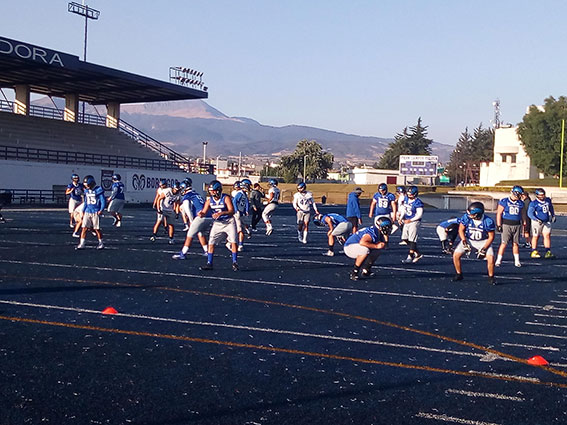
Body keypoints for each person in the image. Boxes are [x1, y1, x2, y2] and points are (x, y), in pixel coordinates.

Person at [198, 180, 239, 271]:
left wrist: (221, 213)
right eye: (211, 191)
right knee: (211, 242)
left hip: (228, 222)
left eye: (213, 191)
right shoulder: (209, 201)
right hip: (217, 223)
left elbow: (232, 211)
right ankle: (209, 263)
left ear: (218, 190)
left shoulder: (225, 198)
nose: (212, 193)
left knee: (233, 241)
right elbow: (204, 211)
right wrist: (201, 214)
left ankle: (235, 262)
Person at [452, 202, 496, 285]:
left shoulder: (488, 221)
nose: (469, 215)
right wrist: (464, 241)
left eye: (471, 214)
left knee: (490, 258)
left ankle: (491, 277)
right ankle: (459, 274)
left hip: (483, 241)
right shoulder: (466, 218)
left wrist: (484, 248)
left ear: (477, 214)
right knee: (456, 255)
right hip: (469, 239)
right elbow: (461, 229)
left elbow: (491, 237)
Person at [172, 179, 211, 260]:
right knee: (201, 234)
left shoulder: (188, 196)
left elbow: (187, 209)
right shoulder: (196, 194)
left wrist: (191, 221)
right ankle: (207, 251)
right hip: (209, 216)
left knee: (189, 235)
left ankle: (183, 254)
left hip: (200, 216)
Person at [344, 216, 392, 281]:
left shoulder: (378, 231)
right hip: (349, 247)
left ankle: (366, 270)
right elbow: (362, 242)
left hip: (356, 245)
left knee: (377, 251)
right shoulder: (373, 232)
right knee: (365, 250)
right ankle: (354, 272)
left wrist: (384, 242)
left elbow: (384, 244)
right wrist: (376, 246)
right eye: (386, 227)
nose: (388, 229)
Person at [495, 185, 528, 268]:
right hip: (506, 224)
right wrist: (499, 224)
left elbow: (523, 214)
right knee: (504, 243)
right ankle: (498, 260)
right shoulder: (504, 201)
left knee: (515, 243)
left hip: (517, 224)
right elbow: (499, 213)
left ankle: (517, 261)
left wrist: (524, 223)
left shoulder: (521, 203)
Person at [76, 175, 105, 250]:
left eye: (87, 185)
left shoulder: (98, 189)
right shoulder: (86, 191)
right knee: (84, 228)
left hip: (95, 211)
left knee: (97, 229)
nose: (86, 187)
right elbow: (85, 202)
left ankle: (101, 243)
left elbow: (103, 201)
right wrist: (83, 210)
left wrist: (101, 209)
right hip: (87, 211)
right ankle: (82, 243)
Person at [527, 188, 556, 259]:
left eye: (543, 195)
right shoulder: (534, 203)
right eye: (541, 195)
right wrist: (536, 219)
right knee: (536, 236)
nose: (542, 196)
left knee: (547, 235)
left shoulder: (547, 200)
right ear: (537, 195)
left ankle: (548, 251)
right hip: (537, 222)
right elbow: (530, 213)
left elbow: (551, 208)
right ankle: (534, 251)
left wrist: (553, 215)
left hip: (546, 221)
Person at [399, 185, 424, 264]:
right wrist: (401, 218)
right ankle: (418, 253)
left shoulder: (418, 202)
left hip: (414, 221)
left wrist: (410, 220)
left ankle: (410, 256)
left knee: (412, 239)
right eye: (408, 194)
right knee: (405, 238)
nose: (409, 195)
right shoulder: (406, 199)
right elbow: (404, 209)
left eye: (411, 194)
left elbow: (419, 215)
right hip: (407, 220)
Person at [150, 179, 176, 244]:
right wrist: (156, 205)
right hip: (163, 208)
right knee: (159, 221)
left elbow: (177, 203)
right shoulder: (165, 191)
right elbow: (158, 198)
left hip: (170, 209)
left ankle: (171, 237)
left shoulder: (177, 194)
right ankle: (154, 235)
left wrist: (176, 211)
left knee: (171, 224)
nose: (161, 186)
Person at [232, 178, 251, 251]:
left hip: (242, 213)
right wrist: (236, 210)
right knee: (239, 229)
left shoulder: (244, 194)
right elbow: (234, 201)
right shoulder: (239, 193)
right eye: (248, 186)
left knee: (241, 229)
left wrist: (246, 210)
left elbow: (246, 203)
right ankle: (233, 242)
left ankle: (240, 244)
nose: (249, 187)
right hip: (237, 213)